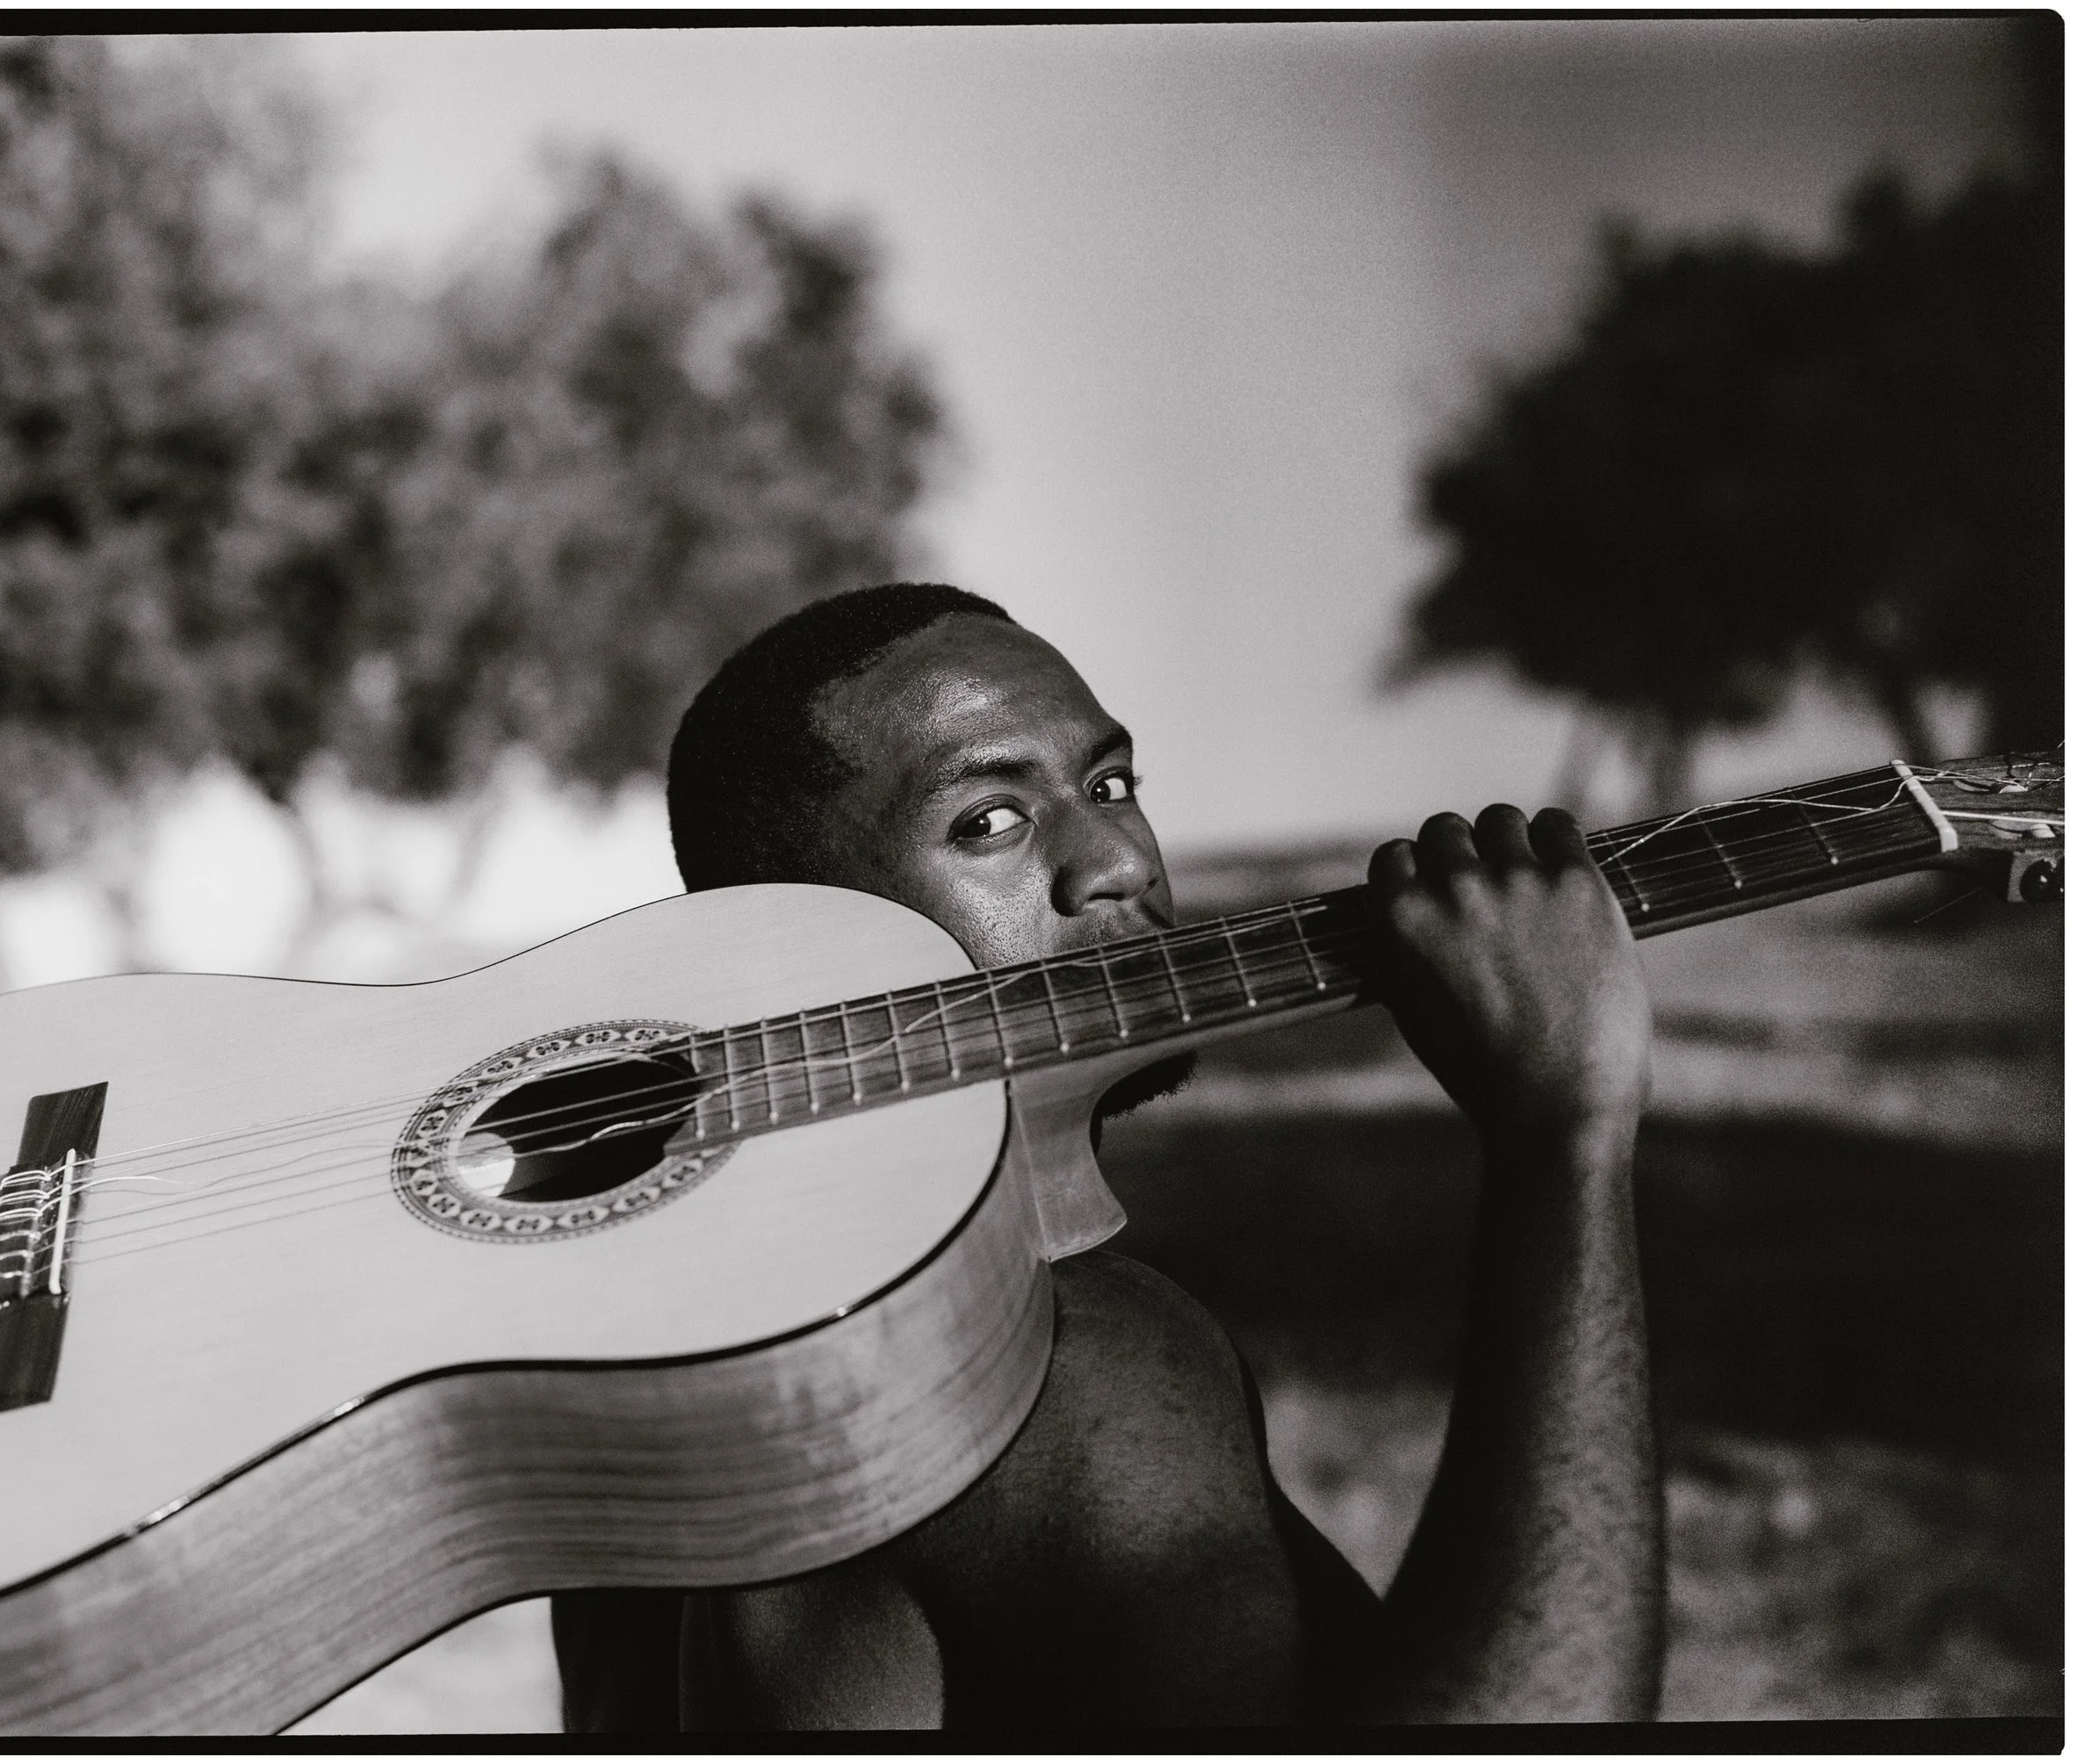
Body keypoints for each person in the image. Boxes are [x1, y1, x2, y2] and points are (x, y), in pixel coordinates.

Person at [551, 582, 1662, 1729]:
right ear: (792, 945)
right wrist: (1562, 1138)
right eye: (991, 821)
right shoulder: (1047, 1364)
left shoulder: (653, 1395)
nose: (1118, 861)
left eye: (1110, 786)